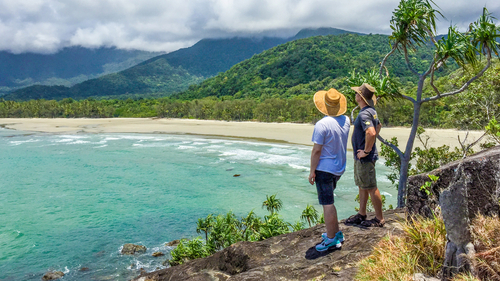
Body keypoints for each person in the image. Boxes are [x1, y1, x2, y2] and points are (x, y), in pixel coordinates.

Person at [308, 88, 350, 252]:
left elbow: (316, 151)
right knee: (330, 201)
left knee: (327, 203)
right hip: (338, 167)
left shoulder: (322, 124)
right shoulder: (346, 120)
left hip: (325, 169)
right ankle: (336, 233)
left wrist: (312, 171)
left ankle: (332, 239)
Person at [345, 83, 385, 227]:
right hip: (363, 156)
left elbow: (372, 132)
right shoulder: (371, 111)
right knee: (363, 185)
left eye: (357, 93)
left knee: (370, 186)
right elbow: (378, 126)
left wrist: (366, 151)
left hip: (365, 157)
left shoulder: (363, 114)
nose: (355, 95)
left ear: (360, 97)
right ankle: (362, 213)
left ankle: (379, 218)